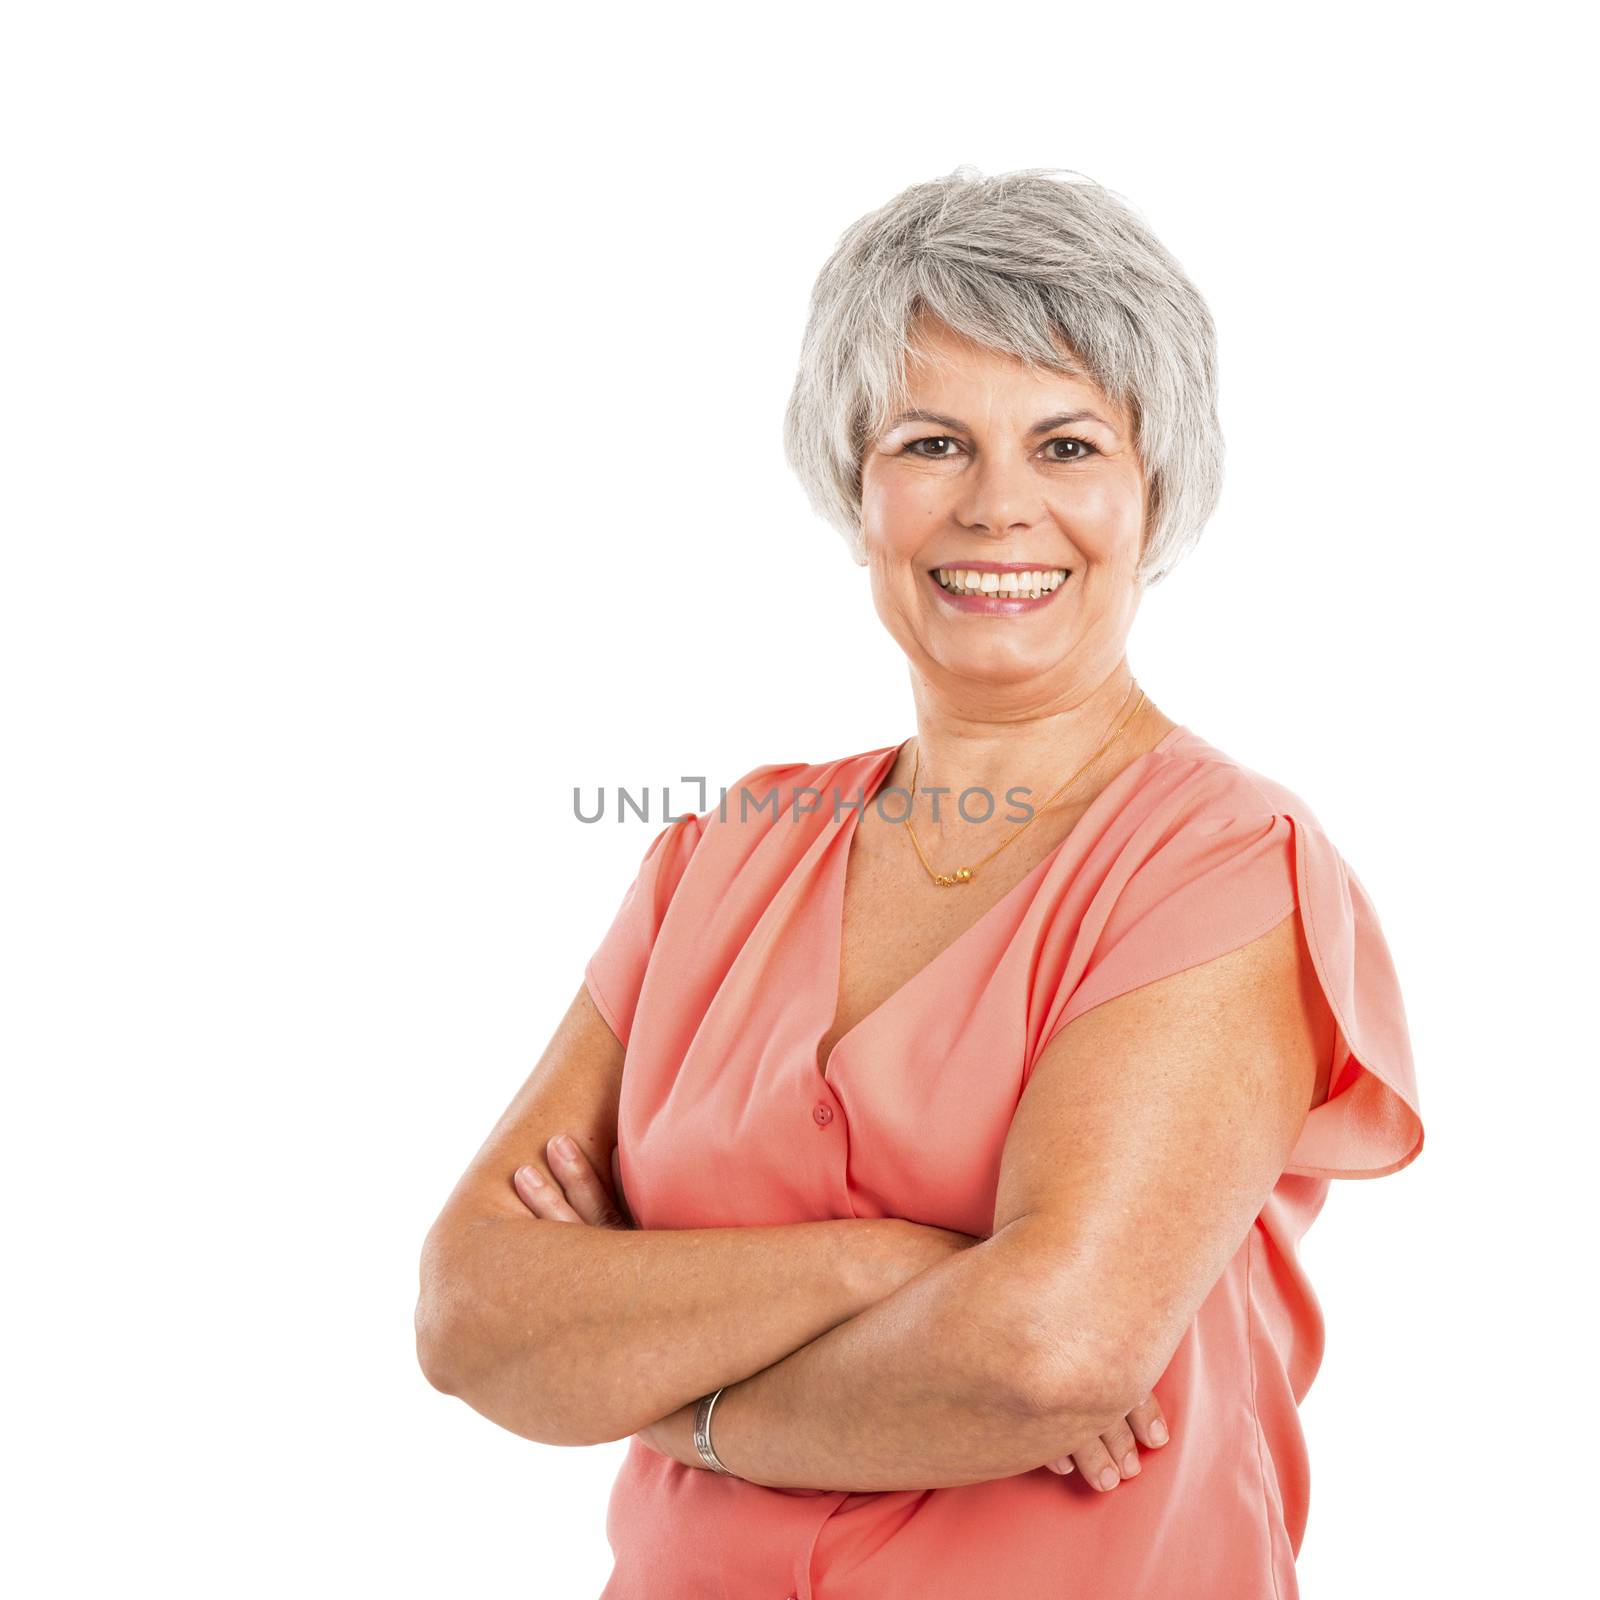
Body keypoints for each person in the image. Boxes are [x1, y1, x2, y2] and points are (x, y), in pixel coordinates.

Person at [415, 165, 1425, 1599]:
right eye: (933, 442)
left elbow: (1044, 1355)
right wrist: (891, 1265)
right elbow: (471, 1314)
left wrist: (654, 1391)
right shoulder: (723, 852)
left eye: (1068, 445)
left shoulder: (1218, 864)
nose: (999, 508)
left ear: (1158, 486)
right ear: (855, 479)